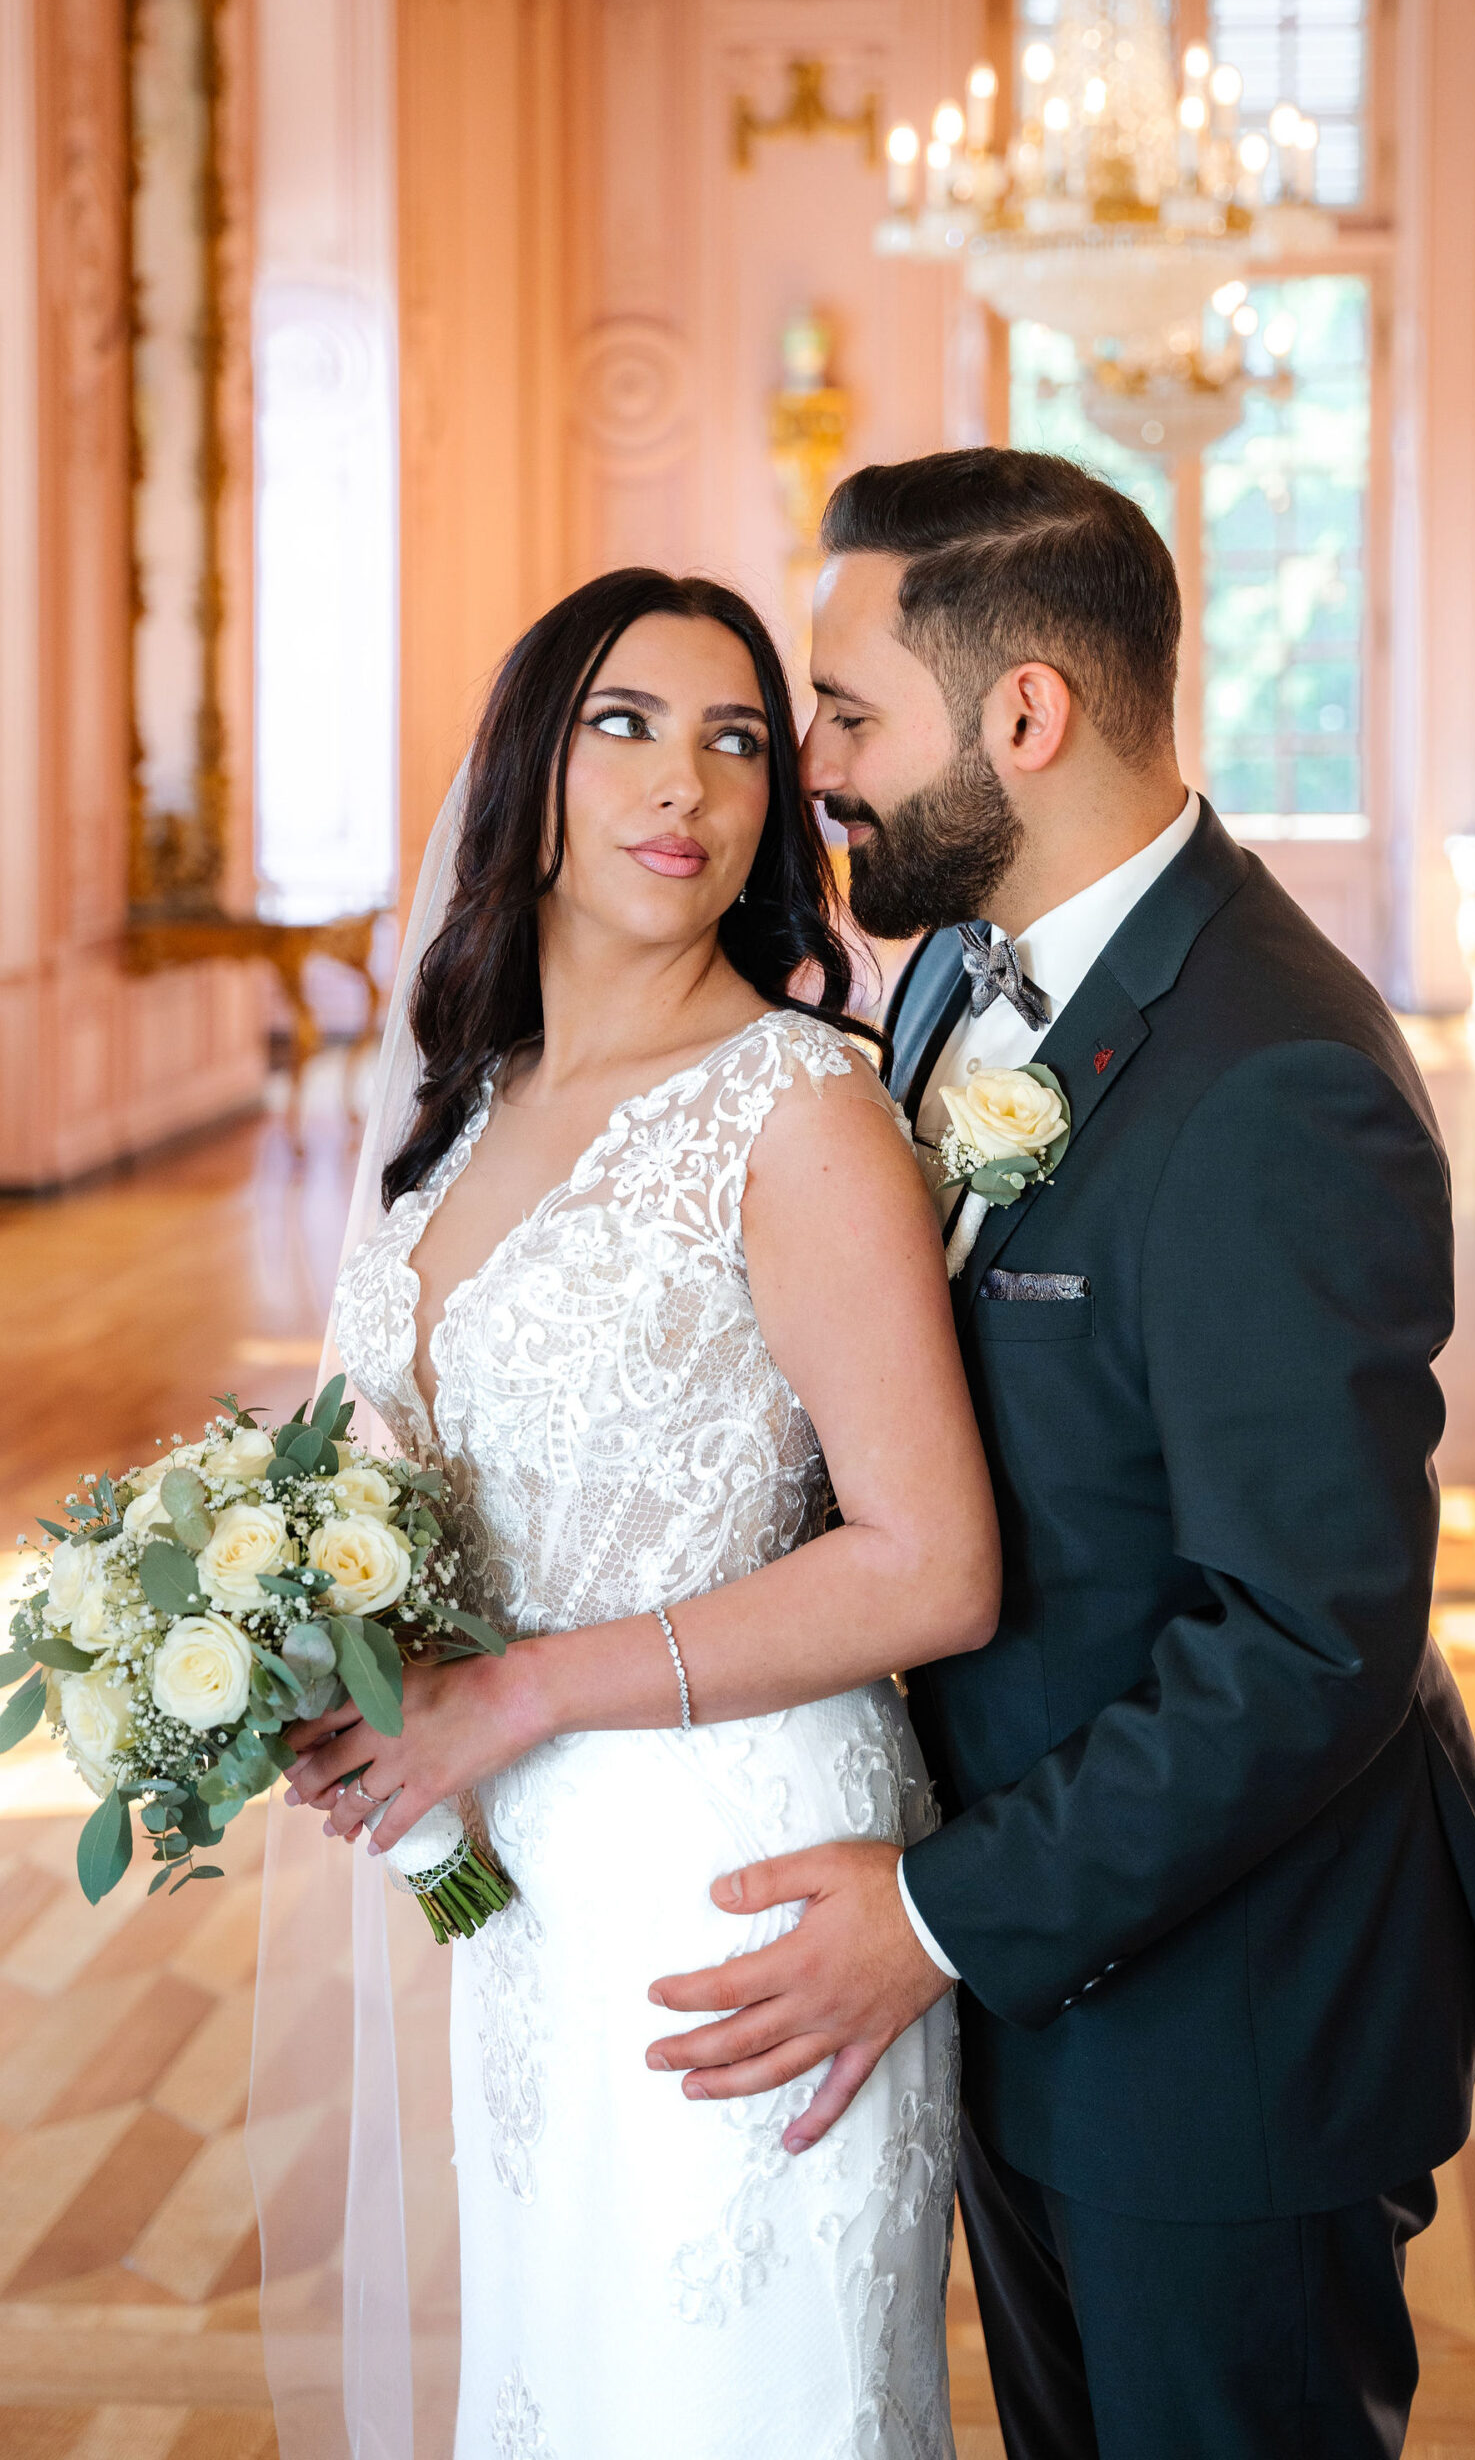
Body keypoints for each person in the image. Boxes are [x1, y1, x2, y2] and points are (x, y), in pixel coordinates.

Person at [643, 449, 1475, 2459]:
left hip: (1226, 2018)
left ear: (1024, 715)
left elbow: (1302, 1641)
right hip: (1032, 1974)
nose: (814, 766)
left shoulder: (1275, 1075)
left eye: (846, 712)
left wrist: (931, 1915)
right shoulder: (954, 978)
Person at [281, 565, 998, 2460]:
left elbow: (935, 1567)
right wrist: (304, 1657)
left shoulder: (795, 1113)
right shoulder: (468, 1105)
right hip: (524, 1885)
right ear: (531, 766)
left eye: (737, 740)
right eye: (626, 726)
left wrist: (511, 1692)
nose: (686, 782)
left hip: (737, 1889)